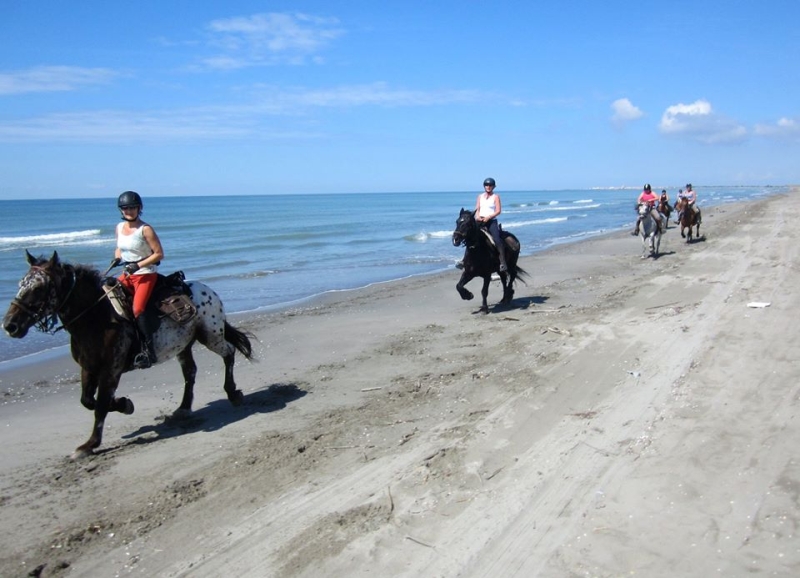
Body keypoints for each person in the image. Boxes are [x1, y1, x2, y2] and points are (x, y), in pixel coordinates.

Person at [113, 191, 164, 369]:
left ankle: (148, 351)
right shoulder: (119, 227)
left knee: (137, 309)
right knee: (108, 295)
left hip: (145, 273)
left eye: (132, 207)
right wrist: (117, 258)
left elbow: (159, 254)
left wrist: (138, 264)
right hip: (128, 273)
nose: (129, 211)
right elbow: (119, 248)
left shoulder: (146, 229)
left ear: (139, 208)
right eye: (125, 208)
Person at [455, 177, 507, 272]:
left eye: (490, 185)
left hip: (491, 221)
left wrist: (488, 217)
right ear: (484, 186)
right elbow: (477, 209)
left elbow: (498, 211)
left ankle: (503, 262)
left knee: (496, 239)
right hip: (480, 220)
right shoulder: (480, 196)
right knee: (470, 238)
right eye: (486, 185)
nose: (488, 187)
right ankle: (463, 261)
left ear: (493, 187)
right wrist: (478, 216)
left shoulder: (496, 197)